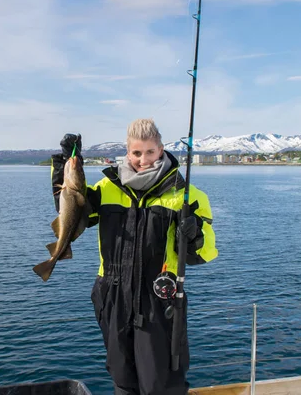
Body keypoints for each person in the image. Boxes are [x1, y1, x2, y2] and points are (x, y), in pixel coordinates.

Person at [50, 119, 218, 395]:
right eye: (137, 153)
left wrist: (195, 234)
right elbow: (73, 214)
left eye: (150, 152)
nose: (143, 160)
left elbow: (204, 253)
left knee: (161, 382)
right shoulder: (107, 187)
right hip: (113, 296)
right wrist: (64, 165)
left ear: (161, 150)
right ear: (128, 152)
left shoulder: (186, 195)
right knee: (123, 378)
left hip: (160, 299)